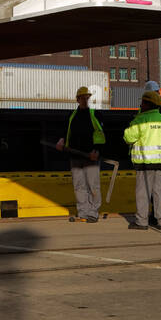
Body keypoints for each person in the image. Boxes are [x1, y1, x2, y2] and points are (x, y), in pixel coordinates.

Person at [122, 89, 161, 230]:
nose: (141, 104)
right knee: (160, 192)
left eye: (142, 102)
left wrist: (137, 117)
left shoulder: (140, 119)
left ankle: (142, 221)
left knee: (143, 193)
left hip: (145, 163)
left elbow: (128, 138)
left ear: (147, 104)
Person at [55, 86, 105, 222]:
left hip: (90, 156)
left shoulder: (95, 115)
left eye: (86, 97)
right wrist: (61, 140)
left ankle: (93, 213)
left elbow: (101, 135)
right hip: (75, 157)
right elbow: (66, 132)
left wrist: (97, 151)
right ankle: (83, 212)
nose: (84, 100)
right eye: (82, 98)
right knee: (79, 186)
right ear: (77, 100)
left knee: (93, 185)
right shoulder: (72, 116)